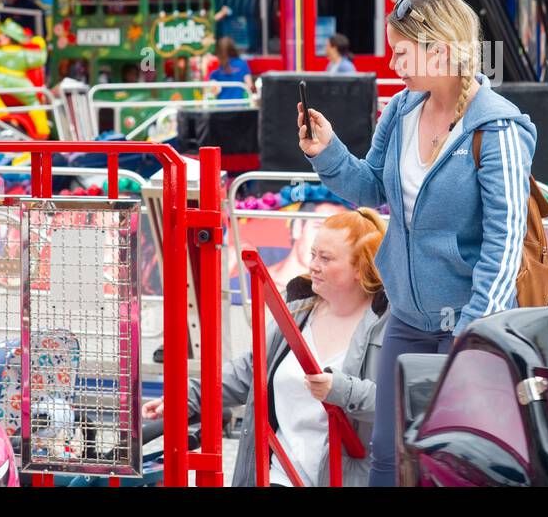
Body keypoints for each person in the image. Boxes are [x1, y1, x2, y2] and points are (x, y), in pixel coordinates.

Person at [298, 0, 536, 486]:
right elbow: (370, 188)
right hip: (407, 317)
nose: (393, 62)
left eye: (402, 52)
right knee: (389, 453)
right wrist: (328, 152)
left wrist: (472, 335)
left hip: (471, 324)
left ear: (441, 51)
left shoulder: (499, 129)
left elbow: (505, 243)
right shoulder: (402, 109)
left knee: (454, 459)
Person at [141, 208, 389, 487]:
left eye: (326, 258)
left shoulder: (387, 325)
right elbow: (250, 370)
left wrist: (341, 390)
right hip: (278, 476)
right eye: (313, 255)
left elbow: (398, 405)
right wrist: (187, 397)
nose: (313, 265)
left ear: (360, 268)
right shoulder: (296, 311)